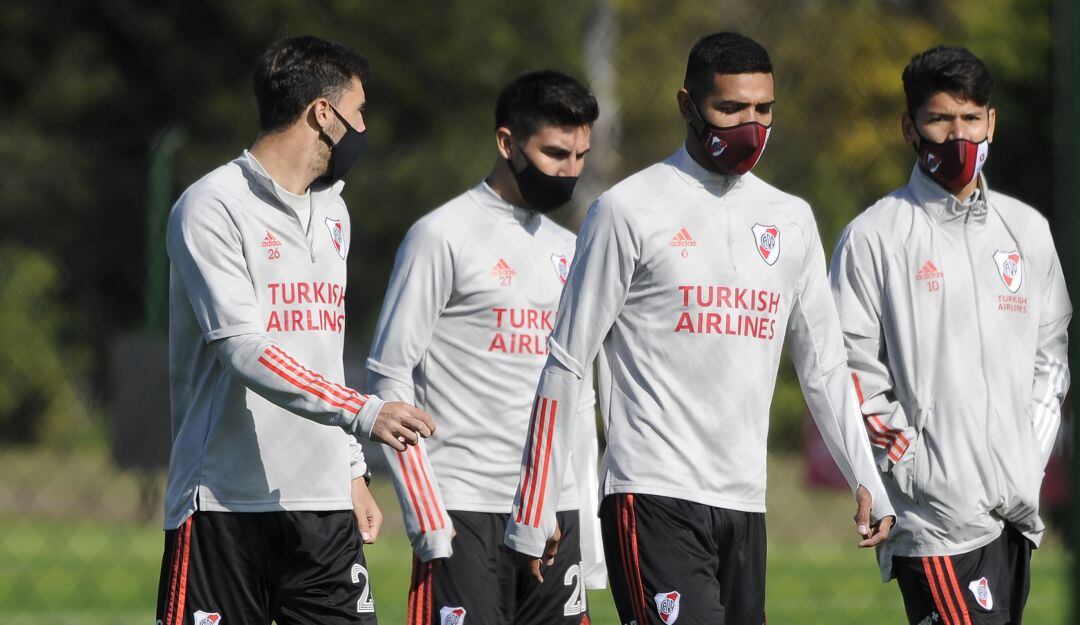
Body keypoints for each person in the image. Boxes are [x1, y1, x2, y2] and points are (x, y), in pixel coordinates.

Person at [503, 31, 895, 625]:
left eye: (763, 110)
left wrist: (865, 476)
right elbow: (567, 361)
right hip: (652, 495)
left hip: (745, 505)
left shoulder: (790, 219)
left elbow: (824, 367)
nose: (751, 126)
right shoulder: (628, 210)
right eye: (730, 109)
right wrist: (538, 503)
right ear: (687, 105)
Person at [157, 36, 434, 625]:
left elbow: (320, 352)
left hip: (324, 508)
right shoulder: (210, 205)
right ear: (323, 115)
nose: (365, 128)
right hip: (223, 506)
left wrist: (352, 470)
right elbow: (243, 348)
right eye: (359, 113)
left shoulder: (335, 212)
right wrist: (363, 412)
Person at [830, 45, 1071, 625]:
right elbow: (846, 365)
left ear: (991, 122)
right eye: (940, 119)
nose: (957, 134)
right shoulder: (874, 236)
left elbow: (1052, 358)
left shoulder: (1028, 231)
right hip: (933, 518)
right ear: (910, 127)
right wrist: (909, 462)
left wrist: (1027, 461)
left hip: (1014, 511)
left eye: (970, 118)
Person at [366, 70, 604, 625]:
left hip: (552, 513)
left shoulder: (574, 249)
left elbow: (581, 396)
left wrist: (584, 529)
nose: (569, 171)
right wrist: (427, 515)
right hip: (465, 510)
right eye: (554, 153)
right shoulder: (441, 235)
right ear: (506, 144)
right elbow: (389, 376)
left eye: (580, 156)